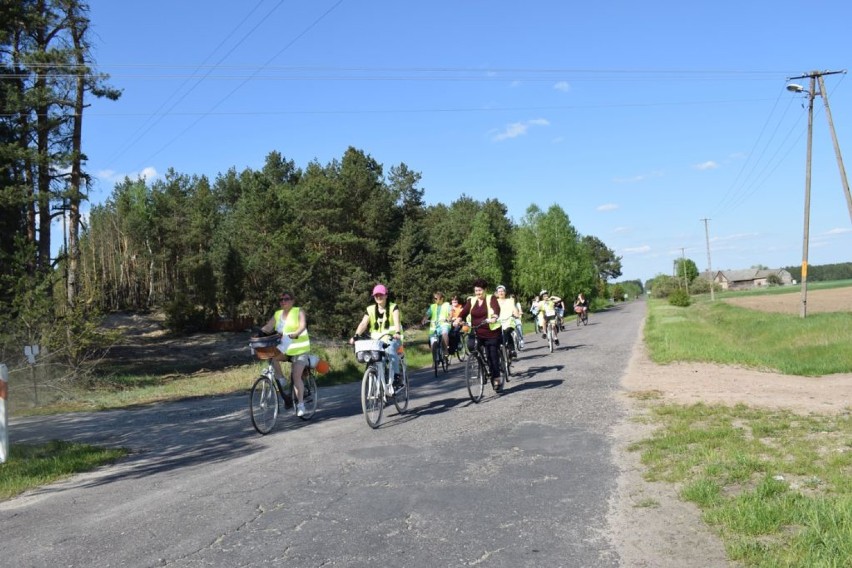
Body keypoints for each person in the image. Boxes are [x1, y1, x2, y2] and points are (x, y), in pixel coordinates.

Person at [260, 291, 312, 417]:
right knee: (271, 356)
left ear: (292, 301)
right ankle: (282, 379)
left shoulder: (298, 311)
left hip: (299, 350)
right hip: (284, 350)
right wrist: (258, 335)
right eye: (281, 299)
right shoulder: (278, 314)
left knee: (296, 376)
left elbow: (303, 325)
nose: (283, 301)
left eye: (286, 299)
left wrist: (296, 333)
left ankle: (301, 405)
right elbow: (268, 327)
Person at [349, 284, 404, 391]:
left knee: (391, 350)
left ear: (386, 296)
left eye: (381, 295)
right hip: (376, 341)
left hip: (392, 338)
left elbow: (397, 321)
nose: (379, 297)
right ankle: (380, 381)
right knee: (375, 358)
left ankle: (397, 376)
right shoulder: (370, 309)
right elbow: (363, 323)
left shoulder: (393, 307)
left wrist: (397, 332)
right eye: (376, 295)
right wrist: (356, 336)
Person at [453, 279, 503, 390]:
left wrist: (494, 317)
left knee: (492, 356)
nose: (478, 293)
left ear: (485, 290)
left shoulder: (491, 298)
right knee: (471, 346)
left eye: (480, 290)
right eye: (476, 290)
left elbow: (496, 308)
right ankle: (481, 368)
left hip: (491, 332)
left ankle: (496, 377)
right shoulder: (472, 300)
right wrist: (458, 319)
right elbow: (464, 312)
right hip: (476, 331)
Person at [495, 285, 521, 359]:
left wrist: (516, 314)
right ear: (497, 293)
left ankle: (512, 350)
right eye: (499, 291)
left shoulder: (510, 301)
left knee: (507, 331)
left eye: (502, 291)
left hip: (509, 320)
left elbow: (514, 309)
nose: (501, 293)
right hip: (498, 321)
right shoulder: (495, 302)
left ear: (505, 292)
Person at [422, 291, 451, 358]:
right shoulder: (432, 306)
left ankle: (445, 350)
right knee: (432, 344)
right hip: (434, 327)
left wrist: (448, 319)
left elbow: (451, 313)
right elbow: (427, 314)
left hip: (444, 324)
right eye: (434, 298)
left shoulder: (447, 305)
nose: (434, 300)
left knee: (444, 333)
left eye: (436, 298)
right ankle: (435, 359)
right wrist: (424, 319)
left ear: (441, 299)